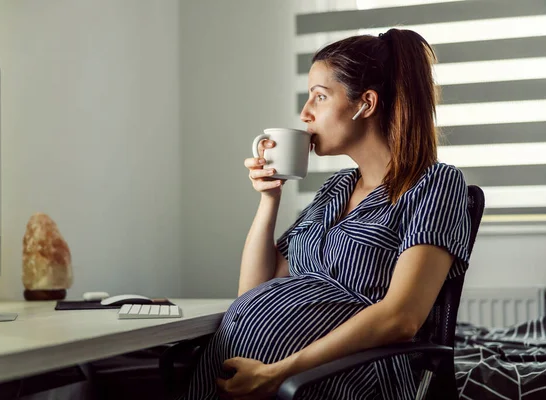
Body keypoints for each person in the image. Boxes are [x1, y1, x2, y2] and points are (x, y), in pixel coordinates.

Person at [179, 28, 471, 400]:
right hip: (256, 375)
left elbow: (402, 317)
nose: (305, 113)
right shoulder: (335, 189)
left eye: (319, 97)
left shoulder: (435, 184)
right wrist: (269, 198)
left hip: (336, 379)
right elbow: (253, 290)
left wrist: (278, 373)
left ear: (364, 104)